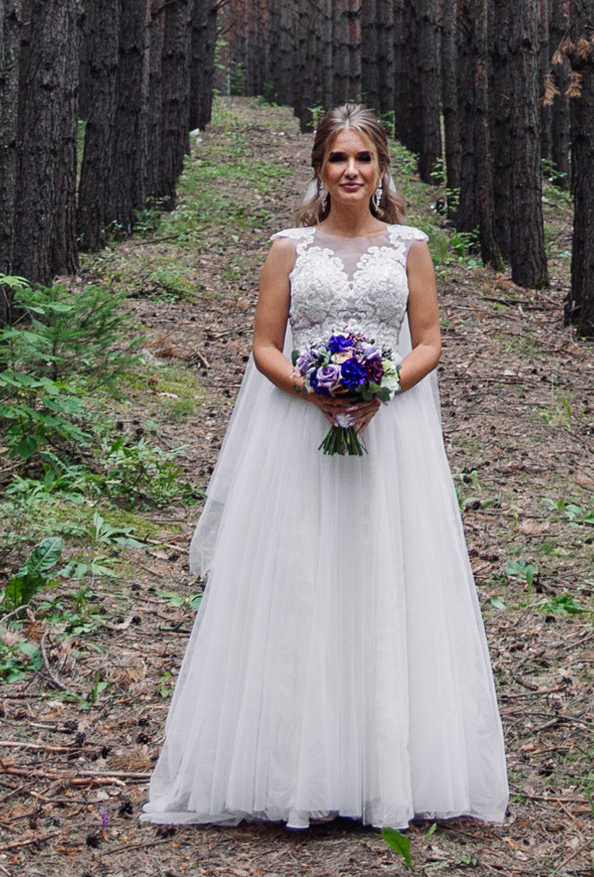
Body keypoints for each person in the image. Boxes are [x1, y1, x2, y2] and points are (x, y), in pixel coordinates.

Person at [142, 103, 508, 833]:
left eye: (363, 158)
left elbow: (429, 341)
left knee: (382, 575)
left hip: (388, 434)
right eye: (338, 158)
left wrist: (382, 389)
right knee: (300, 577)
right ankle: (291, 769)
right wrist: (310, 389)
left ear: (381, 168)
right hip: (297, 433)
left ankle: (384, 770)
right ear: (319, 166)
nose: (350, 171)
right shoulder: (289, 249)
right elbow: (264, 344)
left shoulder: (409, 247)